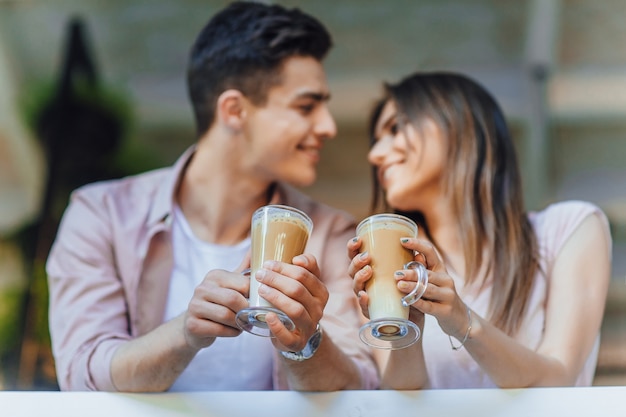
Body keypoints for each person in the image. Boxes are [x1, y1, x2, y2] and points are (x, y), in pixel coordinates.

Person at [47, 1, 377, 392]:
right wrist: (185, 333)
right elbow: (83, 375)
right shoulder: (100, 214)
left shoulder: (331, 232)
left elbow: (363, 385)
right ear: (234, 110)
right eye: (307, 106)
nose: (328, 126)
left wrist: (306, 342)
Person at [347, 71, 612, 389]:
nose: (374, 155)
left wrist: (462, 321)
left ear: (461, 127)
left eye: (395, 128)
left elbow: (557, 379)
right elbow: (403, 395)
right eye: (377, 141)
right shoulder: (384, 258)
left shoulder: (568, 228)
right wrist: (407, 331)